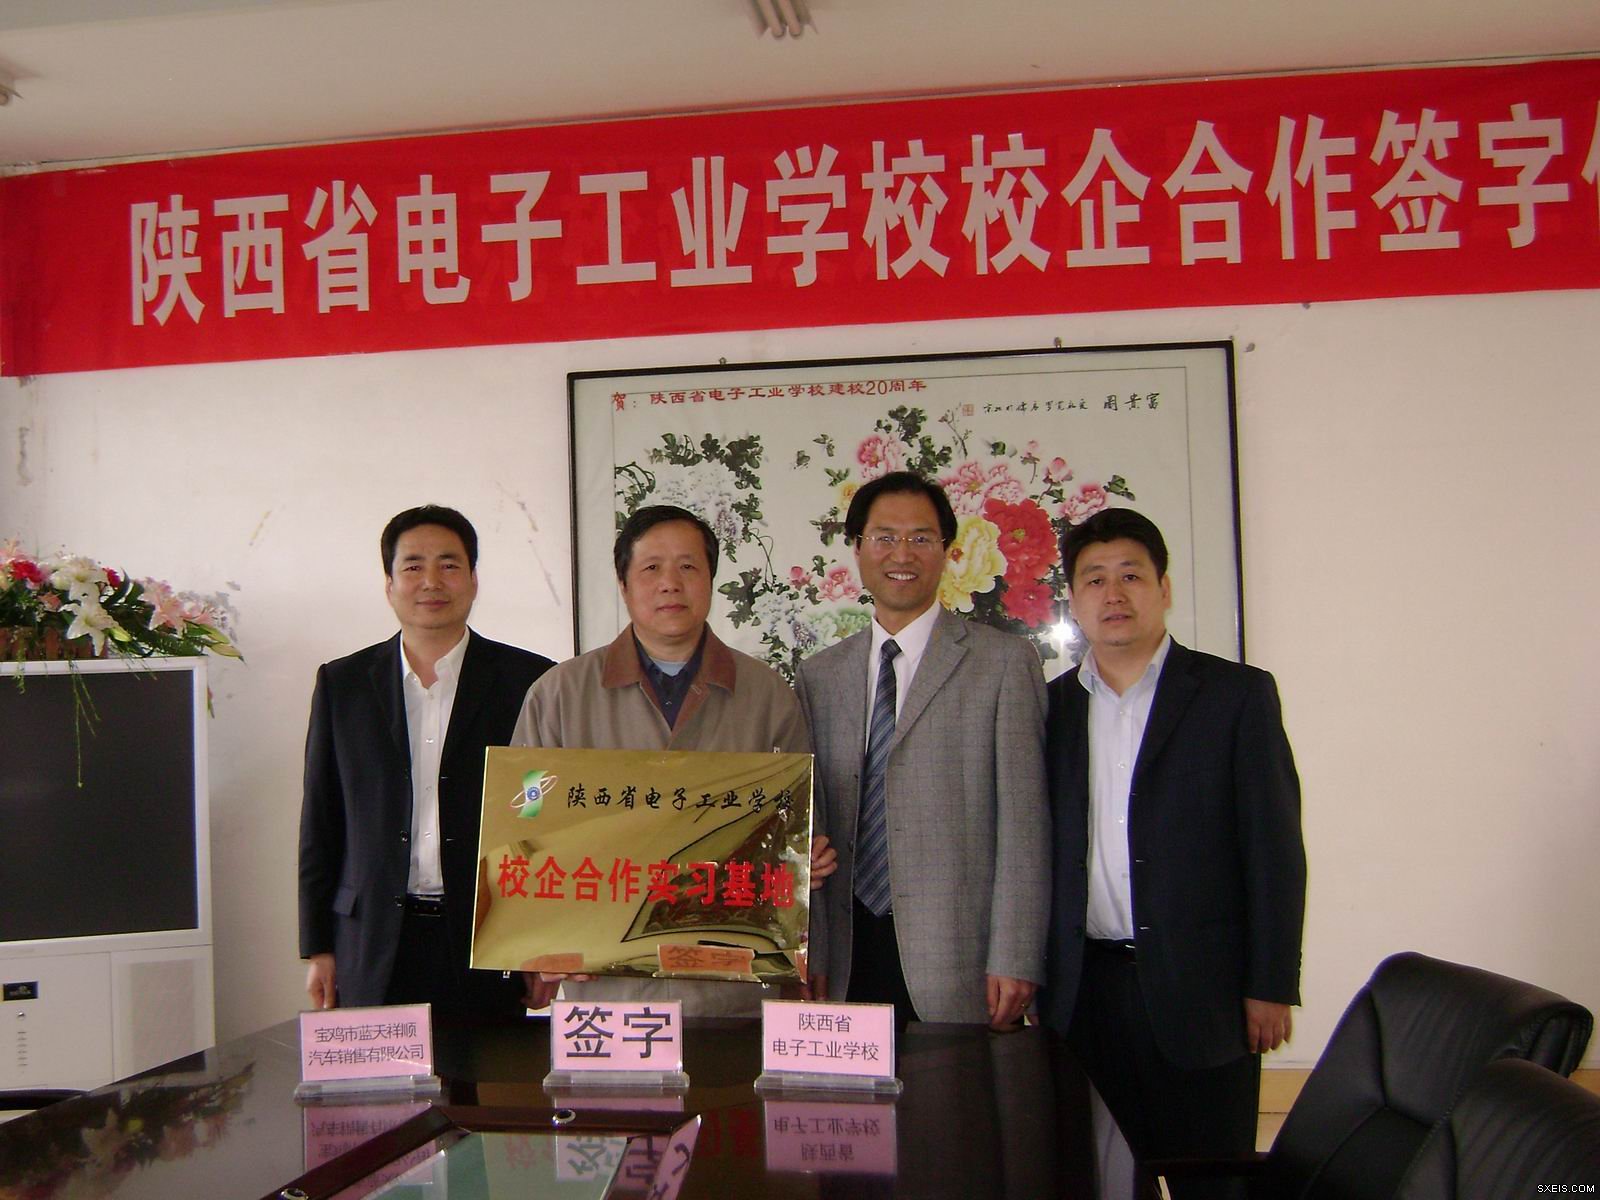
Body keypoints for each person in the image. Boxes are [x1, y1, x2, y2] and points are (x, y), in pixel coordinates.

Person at [1040, 507, 1305, 1176]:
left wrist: (1271, 983)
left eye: (1131, 575)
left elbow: (1274, 851)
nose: (1113, 593)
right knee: (1096, 1176)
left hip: (1204, 992)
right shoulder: (1050, 709)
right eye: (1094, 578)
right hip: (1084, 994)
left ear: (1163, 588)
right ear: (1074, 599)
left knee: (1211, 1176)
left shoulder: (1235, 696)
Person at [510, 504, 832, 1016]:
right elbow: (521, 822)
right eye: (651, 568)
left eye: (688, 567)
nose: (670, 584)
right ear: (623, 584)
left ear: (710, 580)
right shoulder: (558, 696)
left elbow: (798, 827)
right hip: (608, 992)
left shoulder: (768, 696)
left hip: (734, 993)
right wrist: (535, 944)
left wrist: (802, 857)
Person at [796, 471, 1050, 1029]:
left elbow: (1025, 824)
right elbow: (812, 821)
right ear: (857, 548)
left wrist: (1016, 955)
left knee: (956, 1089)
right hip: (845, 954)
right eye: (884, 537)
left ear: (947, 550)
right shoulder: (819, 676)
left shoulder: (1004, 664)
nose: (902, 554)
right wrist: (808, 950)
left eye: (920, 538)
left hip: (960, 956)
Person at [298, 504, 553, 1018]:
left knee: (489, 1070)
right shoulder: (343, 685)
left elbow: (544, 821)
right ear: (389, 584)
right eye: (413, 566)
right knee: (381, 1073)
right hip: (371, 939)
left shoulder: (529, 681)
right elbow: (321, 820)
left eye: (449, 565)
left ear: (474, 580)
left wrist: (541, 942)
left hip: (489, 937)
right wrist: (319, 947)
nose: (432, 581)